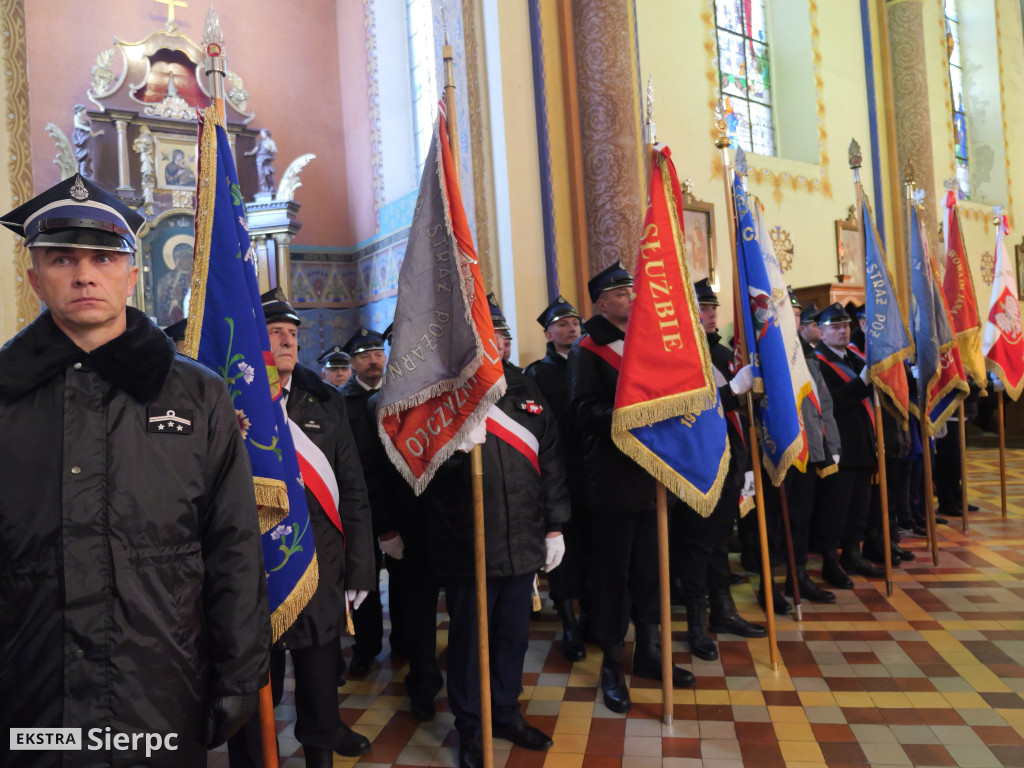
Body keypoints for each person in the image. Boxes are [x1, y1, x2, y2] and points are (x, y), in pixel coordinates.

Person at [0, 174, 271, 767]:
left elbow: (232, 546)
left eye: (103, 257)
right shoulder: (4, 394)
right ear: (34, 278)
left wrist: (240, 674)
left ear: (132, 271)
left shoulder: (199, 396)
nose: (84, 274)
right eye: (62, 258)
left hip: (159, 687)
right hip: (30, 693)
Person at [229, 291, 376, 768]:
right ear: (256, 340)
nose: (287, 341)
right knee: (254, 689)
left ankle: (321, 758)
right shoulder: (227, 398)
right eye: (276, 333)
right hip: (254, 570)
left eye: (293, 334)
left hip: (319, 565)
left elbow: (352, 489)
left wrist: (359, 569)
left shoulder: (324, 399)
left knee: (319, 687)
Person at [423, 297, 569, 768]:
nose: (498, 343)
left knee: (513, 636)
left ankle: (504, 710)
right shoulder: (448, 394)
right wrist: (455, 454)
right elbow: (420, 474)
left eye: (503, 337)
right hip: (471, 542)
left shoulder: (526, 387)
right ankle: (471, 725)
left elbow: (551, 461)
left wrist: (555, 527)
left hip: (523, 538)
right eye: (490, 337)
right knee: (469, 643)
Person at [568, 262, 695, 715]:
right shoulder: (589, 349)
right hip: (614, 481)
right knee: (613, 577)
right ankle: (610, 664)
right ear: (601, 304)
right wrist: (633, 415)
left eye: (633, 290)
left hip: (654, 475)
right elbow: (583, 410)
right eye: (620, 293)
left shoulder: (649, 344)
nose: (631, 297)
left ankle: (650, 652)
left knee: (651, 571)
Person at [677, 279, 766, 662]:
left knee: (718, 544)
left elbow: (737, 415)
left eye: (714, 308)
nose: (713, 313)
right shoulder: (680, 354)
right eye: (704, 307)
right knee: (697, 547)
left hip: (730, 460)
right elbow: (690, 408)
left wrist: (745, 466)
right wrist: (732, 390)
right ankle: (696, 623)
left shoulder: (722, 352)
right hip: (697, 464)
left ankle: (724, 611)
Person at [525, 295, 587, 662]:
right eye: (563, 324)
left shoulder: (590, 361)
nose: (572, 327)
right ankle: (568, 622)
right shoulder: (537, 374)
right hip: (558, 474)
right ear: (549, 334)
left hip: (592, 473)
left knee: (591, 549)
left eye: (575, 322)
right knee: (560, 551)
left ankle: (591, 614)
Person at [812, 303, 886, 588]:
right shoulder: (818, 363)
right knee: (835, 509)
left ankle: (853, 554)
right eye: (836, 327)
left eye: (846, 326)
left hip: (864, 444)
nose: (843, 331)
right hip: (838, 447)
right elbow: (831, 403)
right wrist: (863, 381)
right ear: (821, 331)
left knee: (859, 507)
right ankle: (831, 561)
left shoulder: (855, 358)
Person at [340, 327, 388, 677]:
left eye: (378, 354)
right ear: (353, 363)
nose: (375, 361)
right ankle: (366, 647)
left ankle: (407, 641)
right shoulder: (340, 402)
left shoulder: (399, 393)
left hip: (401, 501)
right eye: (366, 356)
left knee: (406, 581)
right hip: (361, 504)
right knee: (365, 579)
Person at [71, 104, 104, 179]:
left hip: (87, 139)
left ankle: (84, 173)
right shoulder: (76, 116)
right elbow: (77, 125)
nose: (85, 111)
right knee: (82, 155)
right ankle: (80, 173)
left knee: (88, 156)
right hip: (81, 138)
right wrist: (86, 128)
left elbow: (92, 134)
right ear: (80, 110)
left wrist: (99, 133)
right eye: (84, 110)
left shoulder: (86, 121)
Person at [245, 128, 278, 196]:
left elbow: (274, 150)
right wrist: (249, 153)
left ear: (266, 133)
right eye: (261, 133)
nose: (261, 135)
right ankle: (264, 188)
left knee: (267, 174)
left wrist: (270, 148)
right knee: (261, 175)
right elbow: (254, 150)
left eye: (263, 133)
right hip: (260, 160)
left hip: (266, 160)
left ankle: (272, 188)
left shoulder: (271, 142)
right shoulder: (260, 142)